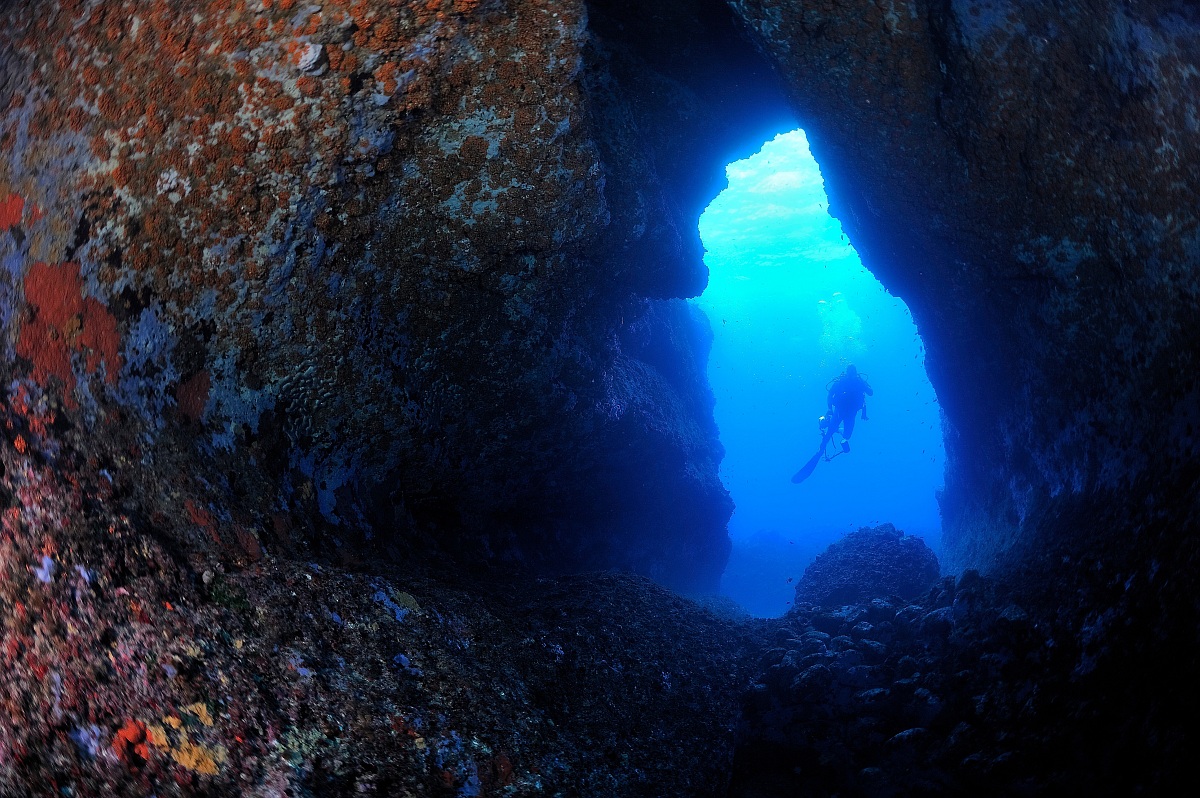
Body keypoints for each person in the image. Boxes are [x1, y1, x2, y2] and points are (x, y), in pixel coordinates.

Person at [824, 364, 873, 453]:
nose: (851, 375)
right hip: (840, 410)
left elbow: (870, 392)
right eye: (850, 373)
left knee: (847, 435)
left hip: (851, 412)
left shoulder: (859, 382)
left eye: (853, 373)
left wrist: (862, 383)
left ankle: (832, 427)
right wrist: (830, 409)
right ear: (847, 373)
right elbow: (830, 394)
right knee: (831, 429)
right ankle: (826, 429)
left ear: (855, 373)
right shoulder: (841, 382)